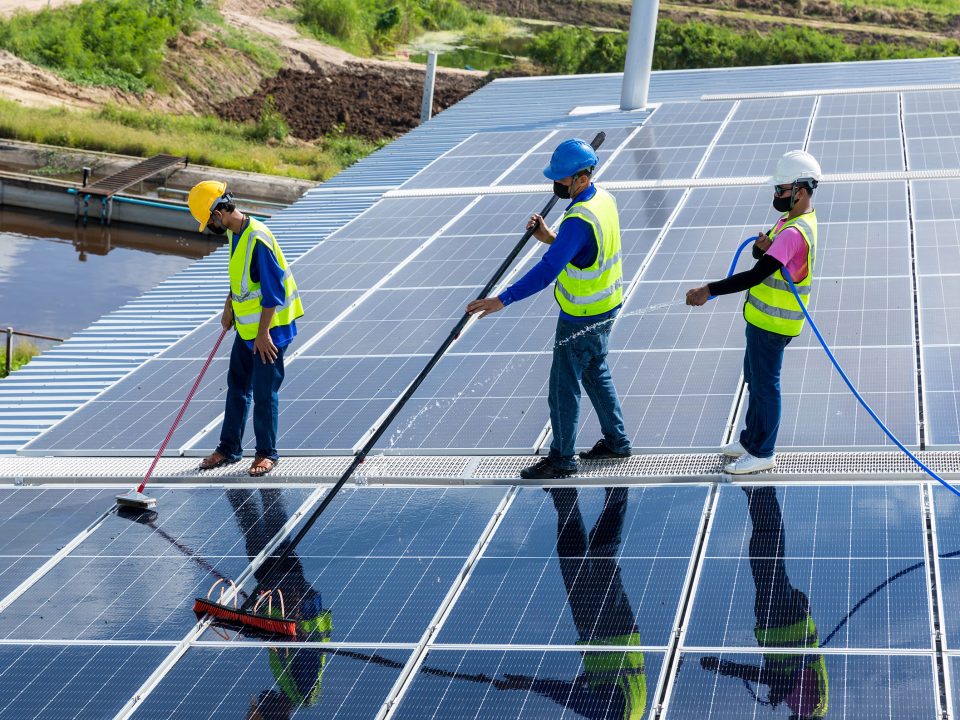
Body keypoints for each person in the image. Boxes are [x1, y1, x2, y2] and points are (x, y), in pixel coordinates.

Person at [466, 139, 632, 480]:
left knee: (563, 386)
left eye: (562, 179)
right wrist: (550, 236)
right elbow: (585, 249)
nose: (557, 185)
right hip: (607, 305)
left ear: (582, 179)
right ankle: (616, 441)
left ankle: (562, 459)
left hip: (581, 316)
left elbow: (547, 271)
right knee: (595, 372)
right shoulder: (603, 200)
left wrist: (503, 299)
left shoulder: (578, 219)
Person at [685, 150, 821, 474]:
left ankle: (763, 451)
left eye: (781, 190)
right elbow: (762, 258)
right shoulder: (790, 221)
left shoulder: (794, 233)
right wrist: (759, 248)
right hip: (762, 320)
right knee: (754, 378)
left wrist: (709, 290)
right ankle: (750, 440)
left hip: (774, 324)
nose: (776, 195)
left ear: (800, 191)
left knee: (765, 385)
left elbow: (755, 275)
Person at [495, 487, 647, 718]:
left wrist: (587, 681)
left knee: (602, 554)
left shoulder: (635, 714)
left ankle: (617, 490)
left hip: (622, 631)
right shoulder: (611, 717)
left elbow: (617, 679)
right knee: (573, 563)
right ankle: (565, 496)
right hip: (602, 632)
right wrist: (529, 684)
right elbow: (570, 697)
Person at [187, 181, 303, 477]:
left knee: (264, 392)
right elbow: (239, 278)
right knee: (237, 385)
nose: (211, 226)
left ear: (220, 210)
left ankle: (267, 454)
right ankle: (229, 449)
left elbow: (273, 293)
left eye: (210, 219)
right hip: (248, 327)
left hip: (271, 329)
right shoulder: (234, 233)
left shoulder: (258, 238)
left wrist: (263, 335)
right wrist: (228, 306)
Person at [699, 486, 828, 718]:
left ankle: (758, 492)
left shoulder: (806, 708)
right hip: (785, 624)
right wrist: (724, 667)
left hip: (780, 624)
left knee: (766, 559)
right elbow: (780, 678)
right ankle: (761, 490)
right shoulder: (811, 708)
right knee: (765, 555)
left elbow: (785, 675)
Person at [223, 488, 332, 720]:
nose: (260, 700)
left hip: (284, 597)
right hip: (294, 599)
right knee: (258, 540)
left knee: (275, 540)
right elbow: (306, 646)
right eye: (258, 709)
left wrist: (262, 624)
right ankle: (237, 487)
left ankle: (268, 489)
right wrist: (294, 618)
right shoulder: (305, 694)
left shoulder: (288, 688)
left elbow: (284, 645)